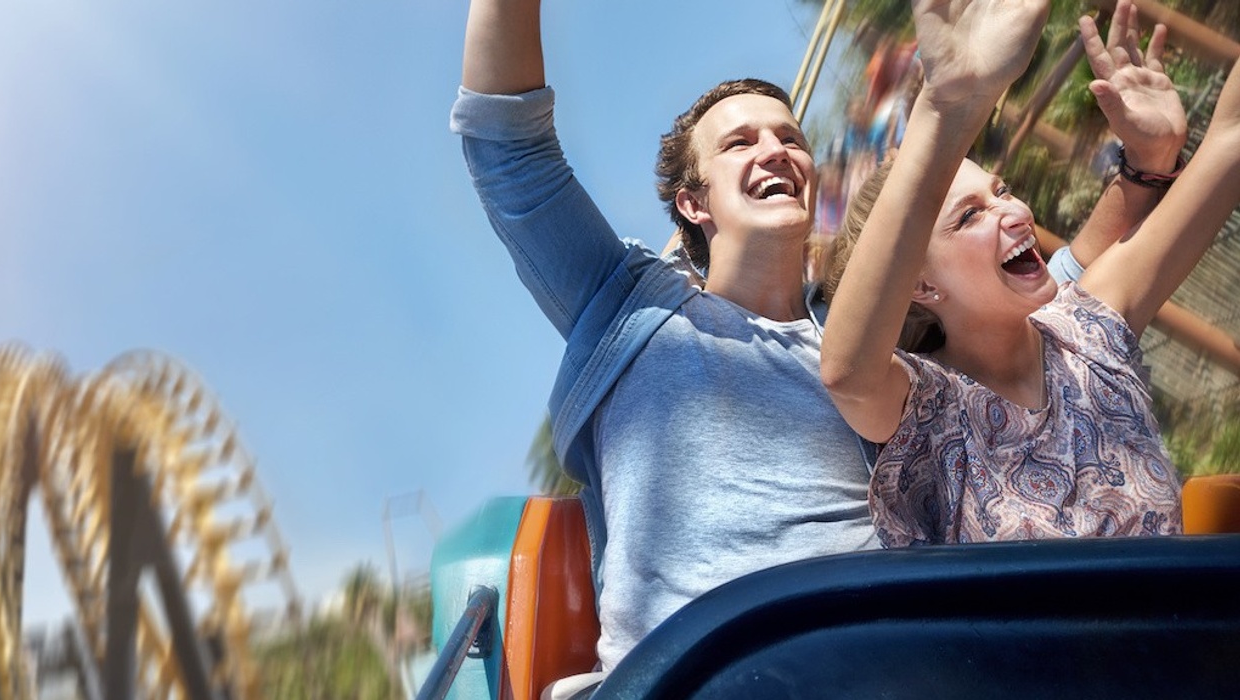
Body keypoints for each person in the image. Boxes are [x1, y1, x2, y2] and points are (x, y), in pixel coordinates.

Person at [453, 0, 1192, 683]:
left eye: (789, 138)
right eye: (740, 142)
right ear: (692, 201)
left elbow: (1036, 299)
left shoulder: (879, 337)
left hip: (871, 661)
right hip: (697, 672)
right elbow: (506, 148)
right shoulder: (627, 306)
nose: (775, 151)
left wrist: (1145, 168)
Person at [819, 0, 1240, 548]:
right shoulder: (925, 413)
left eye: (1002, 192)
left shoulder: (1089, 328)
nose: (1015, 213)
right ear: (919, 285)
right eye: (970, 216)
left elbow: (1230, 141)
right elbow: (846, 371)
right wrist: (943, 107)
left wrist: (1158, 148)